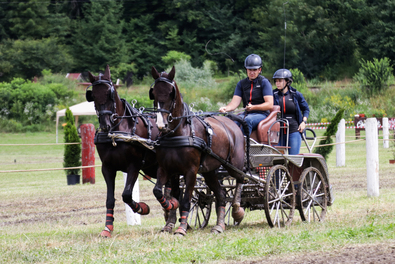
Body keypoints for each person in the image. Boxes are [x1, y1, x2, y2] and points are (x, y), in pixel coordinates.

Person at [219, 54, 273, 136]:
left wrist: (254, 107)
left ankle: (243, 145)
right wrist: (226, 108)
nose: (252, 72)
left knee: (248, 120)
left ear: (259, 69)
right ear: (246, 69)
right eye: (249, 70)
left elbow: (269, 104)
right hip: (246, 114)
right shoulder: (241, 84)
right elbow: (234, 103)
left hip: (261, 114)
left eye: (254, 70)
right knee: (227, 119)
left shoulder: (264, 82)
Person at [272, 69, 310, 155]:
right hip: (278, 132)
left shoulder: (296, 95)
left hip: (294, 130)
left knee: (294, 158)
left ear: (287, 82)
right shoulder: (272, 95)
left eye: (280, 81)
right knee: (277, 159)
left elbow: (306, 109)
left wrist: (303, 122)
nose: (277, 83)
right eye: (276, 81)